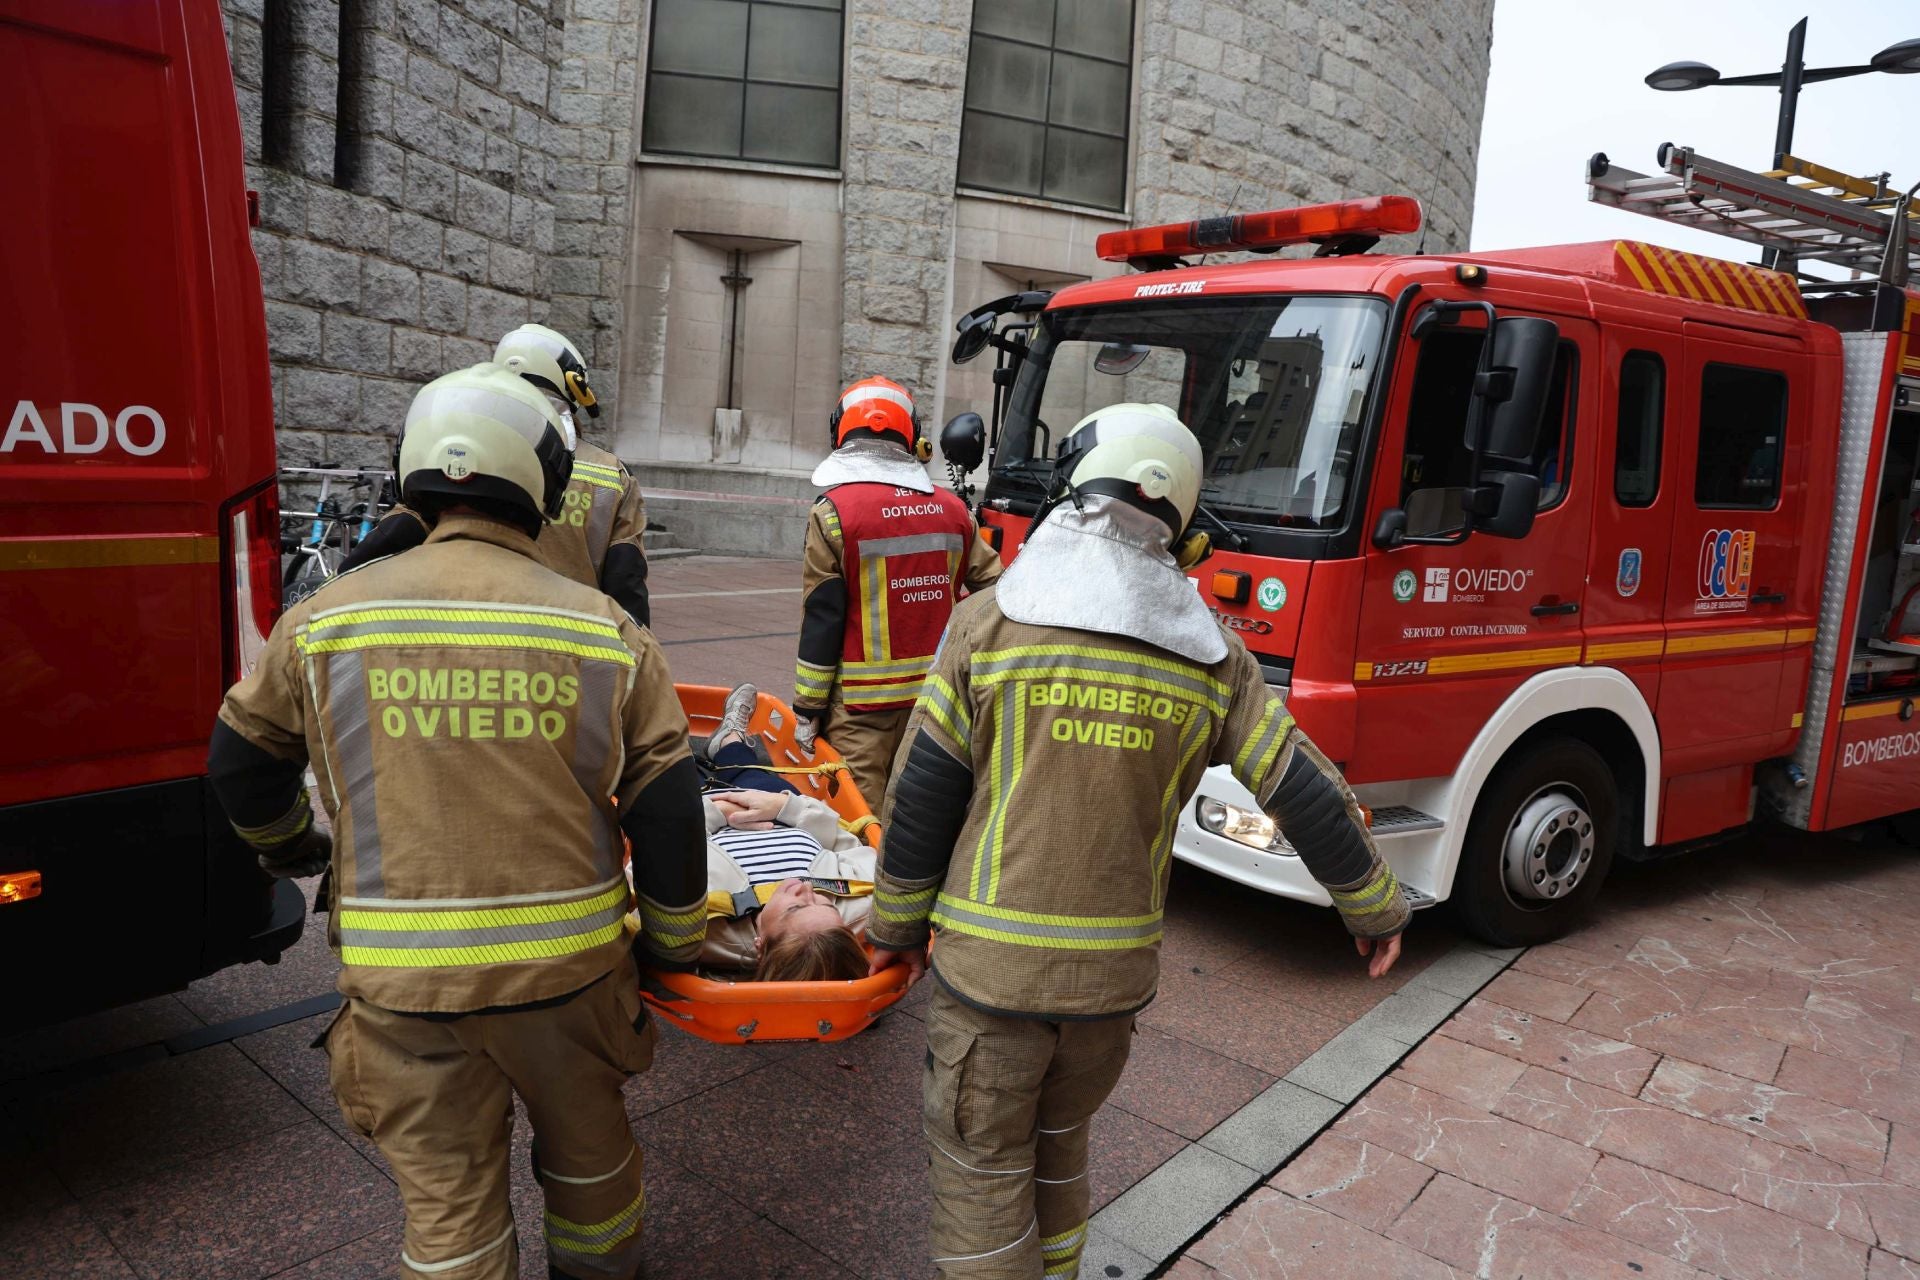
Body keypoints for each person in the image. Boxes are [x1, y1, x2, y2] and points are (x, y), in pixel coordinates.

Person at [867, 403, 1410, 1280]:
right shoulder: (1216, 658)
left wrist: (894, 929)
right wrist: (1374, 905)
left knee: (981, 1169)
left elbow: (923, 791)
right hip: (1111, 991)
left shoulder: (987, 625)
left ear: (1074, 486)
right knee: (1061, 1148)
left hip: (991, 984)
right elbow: (1299, 785)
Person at [208, 363, 707, 1280]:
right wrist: (673, 947)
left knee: (449, 1218)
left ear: (411, 473)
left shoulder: (323, 620)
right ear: (546, 486)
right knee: (593, 1173)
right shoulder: (605, 631)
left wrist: (296, 848)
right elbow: (670, 807)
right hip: (569, 979)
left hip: (404, 992)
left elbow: (241, 762)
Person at [341, 324, 654, 625]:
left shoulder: (460, 450)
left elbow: (388, 542)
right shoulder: (611, 476)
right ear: (571, 388)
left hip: (461, 639)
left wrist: (334, 593)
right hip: (571, 643)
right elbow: (627, 586)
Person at [794, 376, 1003, 805]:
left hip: (860, 710)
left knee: (857, 820)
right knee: (919, 816)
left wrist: (808, 708)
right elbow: (997, 592)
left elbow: (823, 614)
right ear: (913, 437)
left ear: (839, 431)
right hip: (937, 701)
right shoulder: (953, 511)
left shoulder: (833, 513)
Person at [693, 685, 873, 982]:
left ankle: (665, 737)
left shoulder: (704, 928)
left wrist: (716, 812)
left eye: (795, 908)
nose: (806, 889)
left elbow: (657, 862)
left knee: (669, 772)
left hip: (700, 815)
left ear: (760, 946)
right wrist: (784, 808)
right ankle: (728, 740)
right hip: (779, 809)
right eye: (824, 903)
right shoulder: (853, 914)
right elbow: (855, 849)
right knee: (751, 774)